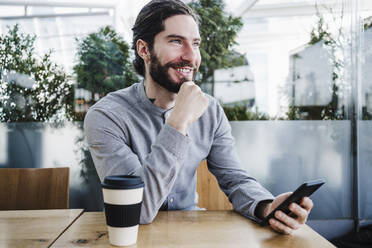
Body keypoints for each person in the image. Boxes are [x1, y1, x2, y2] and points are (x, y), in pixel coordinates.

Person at [84, 0, 313, 234]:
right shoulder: (106, 116)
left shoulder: (210, 111)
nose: (191, 56)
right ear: (144, 50)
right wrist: (178, 121)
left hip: (192, 233)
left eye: (195, 43)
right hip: (128, 237)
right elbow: (137, 210)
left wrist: (267, 206)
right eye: (176, 41)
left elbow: (235, 179)